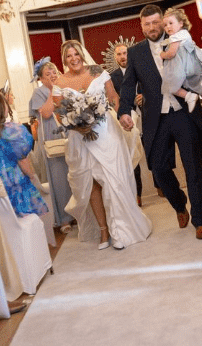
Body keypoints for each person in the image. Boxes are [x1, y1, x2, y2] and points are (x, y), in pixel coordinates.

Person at [118, 6, 202, 239]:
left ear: (163, 22)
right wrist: (124, 111)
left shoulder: (179, 40)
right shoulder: (136, 52)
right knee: (158, 169)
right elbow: (129, 84)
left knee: (193, 167)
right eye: (146, 24)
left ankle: (201, 220)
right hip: (155, 117)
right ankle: (180, 205)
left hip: (183, 112)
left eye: (155, 22)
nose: (151, 28)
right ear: (141, 26)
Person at [51, 40, 151, 249]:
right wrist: (77, 127)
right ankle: (104, 231)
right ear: (64, 59)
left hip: (106, 132)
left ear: (82, 53)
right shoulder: (60, 82)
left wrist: (123, 116)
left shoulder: (98, 72)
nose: (74, 58)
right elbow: (59, 114)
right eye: (69, 56)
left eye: (76, 54)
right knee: (92, 184)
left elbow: (113, 97)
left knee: (114, 179)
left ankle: (120, 229)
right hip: (81, 140)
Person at [0, 90, 50, 216]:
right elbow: (23, 161)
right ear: (1, 107)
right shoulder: (12, 131)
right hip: (14, 184)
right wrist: (32, 176)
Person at [28, 59, 75, 229]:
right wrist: (51, 91)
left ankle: (78, 213)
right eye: (48, 74)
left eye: (54, 72)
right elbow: (46, 113)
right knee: (59, 178)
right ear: (40, 78)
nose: (53, 76)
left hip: (68, 133)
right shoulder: (39, 93)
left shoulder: (64, 88)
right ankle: (63, 218)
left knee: (73, 176)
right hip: (51, 137)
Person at [108, 44, 144, 205]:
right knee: (132, 155)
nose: (123, 56)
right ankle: (137, 195)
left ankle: (160, 185)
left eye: (125, 53)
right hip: (127, 120)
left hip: (147, 114)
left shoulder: (142, 69)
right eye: (119, 54)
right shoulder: (111, 78)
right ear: (115, 58)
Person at [158, 8, 202, 112]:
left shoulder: (176, 37)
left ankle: (189, 96)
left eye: (171, 23)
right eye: (165, 25)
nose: (168, 27)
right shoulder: (185, 33)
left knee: (171, 87)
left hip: (182, 67)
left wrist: (162, 55)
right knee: (196, 86)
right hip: (192, 65)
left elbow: (171, 53)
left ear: (181, 23)